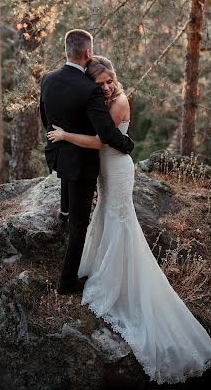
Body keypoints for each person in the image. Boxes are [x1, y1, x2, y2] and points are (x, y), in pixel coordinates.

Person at [47, 55, 211, 385]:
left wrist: (66, 136)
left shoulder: (119, 102)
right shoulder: (98, 100)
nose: (109, 86)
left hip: (119, 170)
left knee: (120, 222)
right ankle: (105, 268)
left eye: (110, 80)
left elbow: (102, 141)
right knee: (106, 217)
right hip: (104, 172)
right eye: (101, 83)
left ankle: (120, 280)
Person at [39, 29, 134, 295]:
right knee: (79, 225)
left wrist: (59, 138)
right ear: (88, 53)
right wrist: (127, 144)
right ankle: (67, 283)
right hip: (82, 161)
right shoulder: (89, 89)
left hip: (59, 153)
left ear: (66, 50)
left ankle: (64, 209)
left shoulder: (47, 79)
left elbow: (45, 117)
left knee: (69, 192)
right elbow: (105, 134)